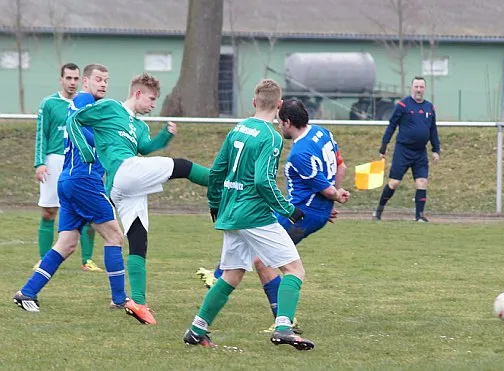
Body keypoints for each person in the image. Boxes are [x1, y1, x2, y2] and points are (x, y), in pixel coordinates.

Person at [66, 72, 210, 325]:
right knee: (184, 166)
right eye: (152, 99)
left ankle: (139, 304)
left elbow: (144, 147)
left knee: (138, 240)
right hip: (123, 171)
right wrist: (89, 152)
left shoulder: (140, 126)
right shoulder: (110, 107)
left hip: (125, 187)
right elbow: (74, 120)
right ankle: (228, 182)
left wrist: (165, 136)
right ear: (138, 94)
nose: (153, 104)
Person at [197, 99, 350, 333]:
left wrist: (332, 198)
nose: (279, 125)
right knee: (244, 267)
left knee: (266, 262)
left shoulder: (298, 152)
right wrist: (331, 201)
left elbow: (264, 182)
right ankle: (202, 322)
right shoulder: (322, 132)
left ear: (288, 122)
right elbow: (341, 167)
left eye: (281, 122)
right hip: (311, 210)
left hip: (300, 212)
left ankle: (284, 321)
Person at [183, 79, 314, 351]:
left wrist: (215, 204)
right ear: (279, 106)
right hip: (254, 215)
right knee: (294, 270)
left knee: (232, 273)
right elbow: (263, 182)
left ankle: (197, 329)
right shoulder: (271, 136)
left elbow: (217, 172)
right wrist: (289, 210)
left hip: (231, 211)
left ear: (254, 102)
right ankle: (284, 327)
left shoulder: (238, 129)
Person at [13, 64, 129, 314]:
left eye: (106, 81)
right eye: (98, 79)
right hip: (84, 180)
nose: (103, 84)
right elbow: (90, 134)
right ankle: (120, 300)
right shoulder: (84, 102)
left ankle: (27, 292)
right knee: (114, 237)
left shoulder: (87, 106)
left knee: (66, 244)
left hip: (69, 180)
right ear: (85, 82)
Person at [32, 63, 102, 272]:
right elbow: (41, 134)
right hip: (54, 160)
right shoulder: (50, 103)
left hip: (80, 162)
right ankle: (45, 260)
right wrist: (40, 162)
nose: (72, 82)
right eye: (68, 78)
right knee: (48, 212)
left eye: (76, 78)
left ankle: (87, 260)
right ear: (61, 80)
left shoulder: (89, 104)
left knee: (88, 211)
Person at [373, 76, 440, 222]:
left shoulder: (430, 107)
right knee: (394, 183)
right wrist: (384, 146)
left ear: (425, 89)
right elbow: (391, 126)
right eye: (416, 86)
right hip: (403, 151)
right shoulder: (402, 105)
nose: (418, 90)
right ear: (412, 88)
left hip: (420, 152)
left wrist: (436, 149)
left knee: (422, 182)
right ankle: (378, 210)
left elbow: (433, 129)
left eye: (421, 87)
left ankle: (419, 216)